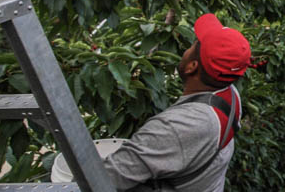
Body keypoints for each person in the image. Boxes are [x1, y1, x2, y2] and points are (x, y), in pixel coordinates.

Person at [103, 13, 251, 191]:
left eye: (193, 45)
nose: (186, 50)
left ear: (192, 67)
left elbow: (103, 178)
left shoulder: (178, 128)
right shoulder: (230, 95)